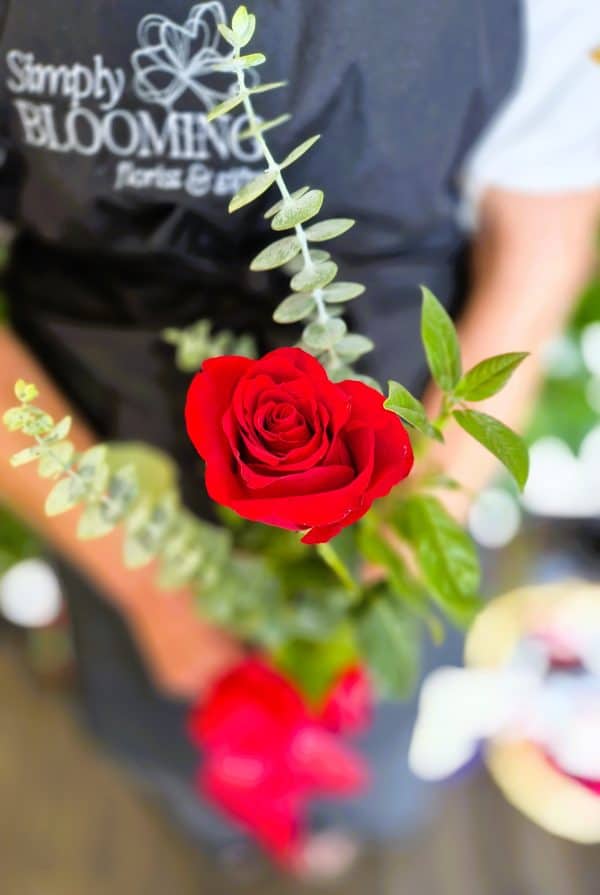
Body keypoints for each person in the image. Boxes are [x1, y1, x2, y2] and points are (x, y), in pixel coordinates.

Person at [0, 0, 599, 876]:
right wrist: (151, 590)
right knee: (170, 736)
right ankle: (222, 827)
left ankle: (332, 820)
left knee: (372, 731)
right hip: (95, 471)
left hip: (403, 470)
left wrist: (398, 545)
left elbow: (541, 245)